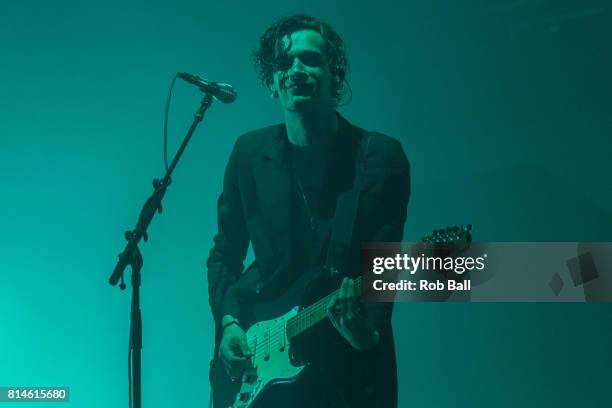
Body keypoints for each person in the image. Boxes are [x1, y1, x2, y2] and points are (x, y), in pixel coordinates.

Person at [207, 14, 410, 408]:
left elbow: (386, 264)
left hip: (344, 367)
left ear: (335, 75)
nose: (295, 70)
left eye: (309, 60)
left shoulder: (380, 159)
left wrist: (367, 332)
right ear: (271, 82)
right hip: (262, 365)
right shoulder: (249, 154)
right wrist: (229, 324)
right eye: (283, 64)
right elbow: (224, 253)